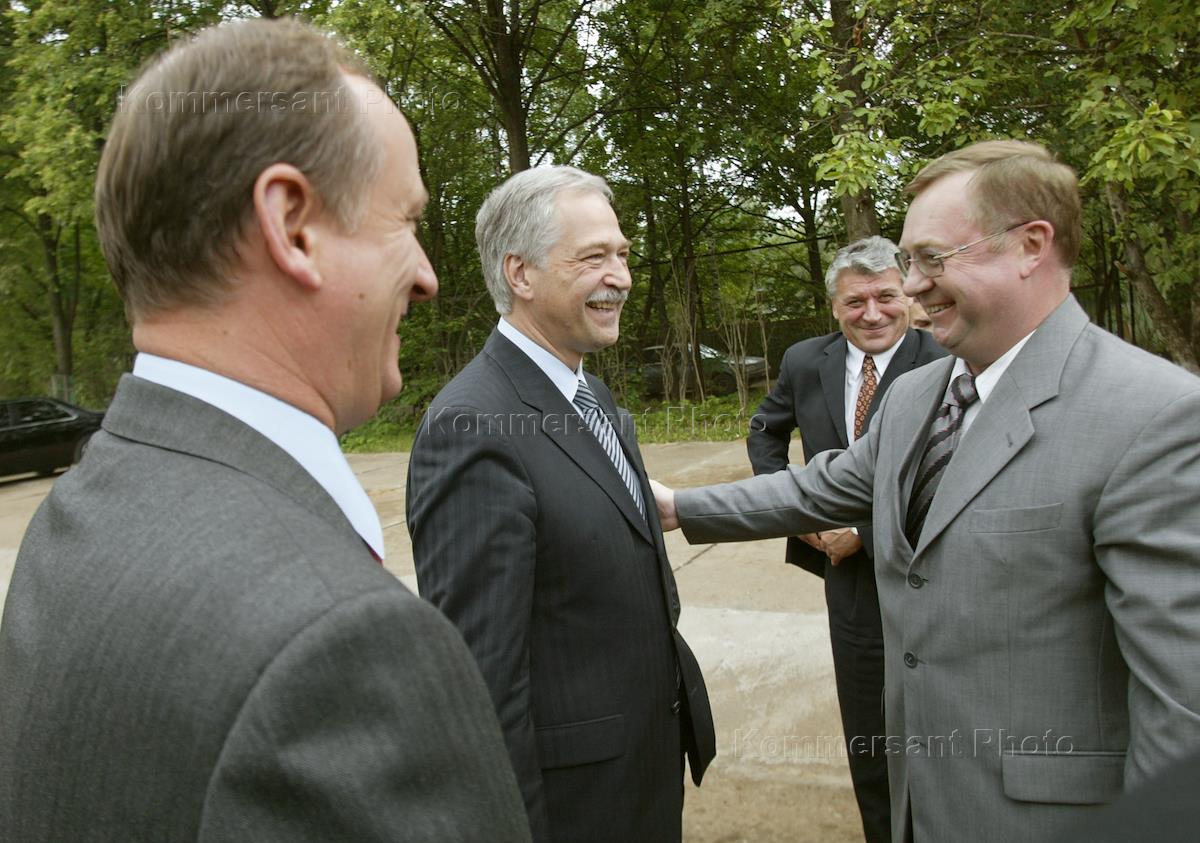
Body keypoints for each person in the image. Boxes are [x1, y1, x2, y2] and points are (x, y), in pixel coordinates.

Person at [0, 19, 529, 843]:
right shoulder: (343, 645)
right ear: (292, 225)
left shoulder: (79, 514)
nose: (427, 275)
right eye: (404, 221)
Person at [653, 140, 1200, 842]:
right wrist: (678, 507)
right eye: (909, 261)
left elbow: (1182, 708)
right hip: (920, 802)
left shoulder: (1154, 416)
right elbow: (824, 486)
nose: (911, 286)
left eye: (931, 259)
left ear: (1031, 245)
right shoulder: (919, 394)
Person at [406, 166, 715, 843]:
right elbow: (483, 681)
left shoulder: (592, 396)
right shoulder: (471, 426)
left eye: (623, 254)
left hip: (642, 773)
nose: (621, 276)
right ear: (520, 273)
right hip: (573, 806)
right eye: (593, 257)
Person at [747, 235, 945, 842]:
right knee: (870, 733)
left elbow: (962, 466)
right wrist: (798, 512)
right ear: (835, 305)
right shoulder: (806, 361)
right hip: (850, 583)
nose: (872, 313)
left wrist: (862, 529)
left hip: (932, 577)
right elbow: (765, 431)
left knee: (938, 735)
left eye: (886, 296)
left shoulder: (946, 358)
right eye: (855, 301)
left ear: (908, 297)